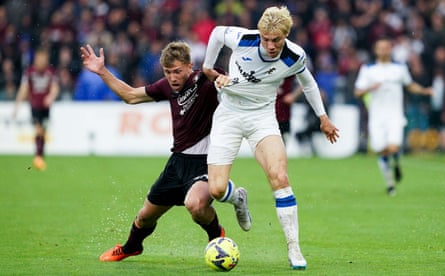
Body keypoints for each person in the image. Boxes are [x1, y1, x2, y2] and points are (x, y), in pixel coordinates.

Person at [80, 41, 248, 262]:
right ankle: (132, 247)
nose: (173, 77)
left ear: (190, 66)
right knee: (144, 217)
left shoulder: (206, 80)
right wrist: (102, 72)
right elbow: (130, 96)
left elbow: (235, 84)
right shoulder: (167, 86)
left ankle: (217, 238)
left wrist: (226, 79)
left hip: (206, 162)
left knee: (195, 205)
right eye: (168, 72)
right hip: (177, 163)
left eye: (178, 71)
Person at [202, 6, 339, 270]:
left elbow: (308, 83)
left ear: (286, 35)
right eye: (266, 39)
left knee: (280, 177)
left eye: (276, 40)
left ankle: (294, 248)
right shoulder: (245, 39)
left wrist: (322, 117)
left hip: (262, 118)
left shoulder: (294, 56)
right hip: (228, 115)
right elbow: (218, 33)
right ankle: (238, 198)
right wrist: (210, 68)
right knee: (217, 190)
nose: (270, 45)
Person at [354, 37, 433, 196]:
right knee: (382, 150)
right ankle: (390, 184)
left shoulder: (400, 68)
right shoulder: (368, 69)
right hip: (377, 117)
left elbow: (410, 85)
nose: (383, 50)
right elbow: (357, 92)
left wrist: (425, 91)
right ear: (375, 50)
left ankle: (396, 161)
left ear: (390, 49)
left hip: (395, 115)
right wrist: (370, 88)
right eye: (380, 47)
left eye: (386, 47)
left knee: (393, 147)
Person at [13, 48, 60, 170]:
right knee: (38, 130)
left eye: (43, 59)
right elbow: (24, 89)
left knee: (43, 131)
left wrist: (51, 97)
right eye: (39, 59)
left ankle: (40, 155)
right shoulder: (29, 72)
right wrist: (17, 106)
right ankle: (38, 157)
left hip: (46, 107)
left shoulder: (50, 72)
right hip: (34, 106)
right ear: (35, 59)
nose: (41, 62)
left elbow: (55, 87)